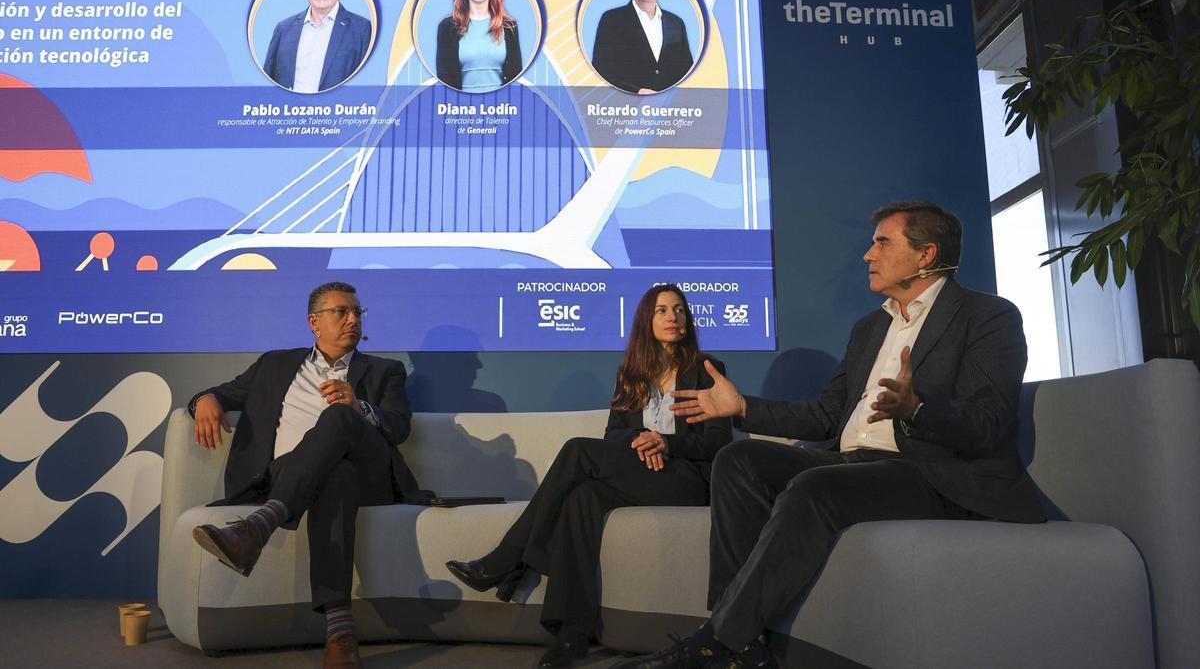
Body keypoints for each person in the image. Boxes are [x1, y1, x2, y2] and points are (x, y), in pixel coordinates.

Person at [613, 202, 1047, 669]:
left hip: (931, 471)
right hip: (853, 462)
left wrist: (917, 409)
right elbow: (826, 415)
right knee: (739, 461)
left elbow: (989, 421)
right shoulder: (871, 327)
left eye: (882, 243)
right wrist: (743, 408)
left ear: (926, 255)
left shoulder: (987, 316)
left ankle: (714, 646)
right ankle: (742, 643)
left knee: (815, 486)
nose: (867, 254)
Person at [445, 284, 733, 668]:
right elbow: (614, 436)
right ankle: (572, 633)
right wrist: (642, 441)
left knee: (578, 451)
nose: (673, 317)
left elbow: (718, 442)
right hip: (642, 475)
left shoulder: (707, 369)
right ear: (646, 320)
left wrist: (667, 442)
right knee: (582, 498)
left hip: (688, 479)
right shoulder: (631, 373)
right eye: (662, 310)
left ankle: (507, 558)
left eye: (679, 309)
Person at [189, 282, 418, 669]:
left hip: (371, 473)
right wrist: (204, 400)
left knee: (340, 416)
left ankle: (260, 525)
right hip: (291, 473)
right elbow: (223, 393)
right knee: (336, 474)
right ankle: (340, 632)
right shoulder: (275, 365)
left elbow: (399, 427)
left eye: (357, 312)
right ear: (314, 322)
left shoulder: (385, 370)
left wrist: (360, 407)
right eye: (341, 312)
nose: (352, 319)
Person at [262, 0, 372, 93]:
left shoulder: (361, 29)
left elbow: (366, 82)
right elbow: (266, 81)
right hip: (288, 107)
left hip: (336, 107)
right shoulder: (283, 28)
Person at [591, 0, 695, 94]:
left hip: (669, 103)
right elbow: (601, 69)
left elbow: (686, 70)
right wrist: (636, 91)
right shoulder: (612, 19)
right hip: (627, 102)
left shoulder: (676, 23)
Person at [436, 0, 523, 92]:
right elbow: (445, 79)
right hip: (461, 101)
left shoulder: (509, 26)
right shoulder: (447, 27)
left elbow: (515, 76)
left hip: (501, 101)